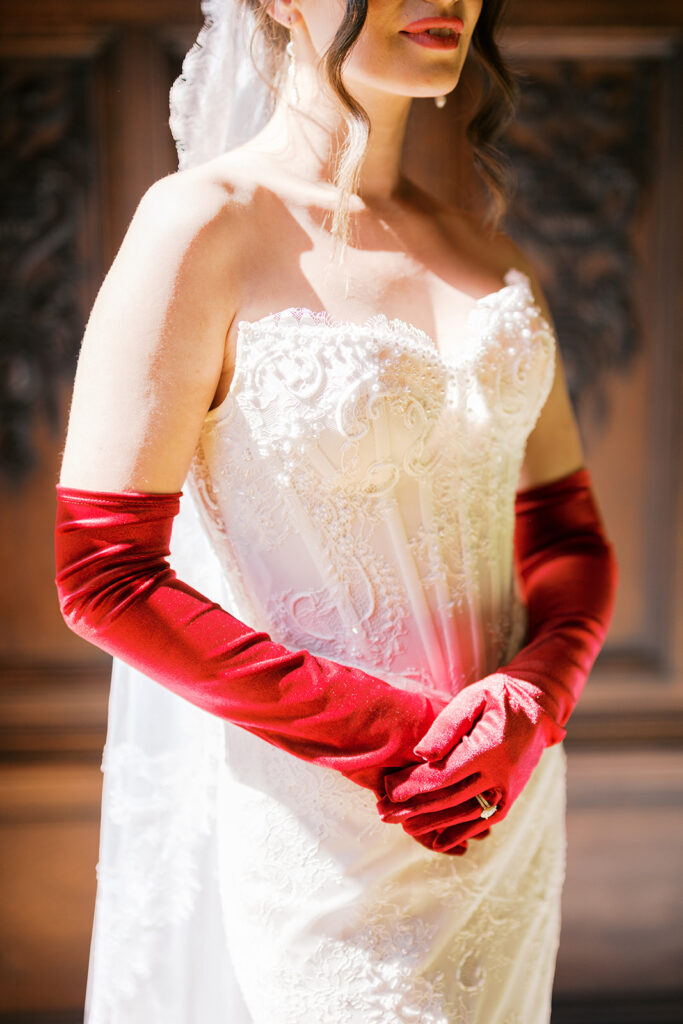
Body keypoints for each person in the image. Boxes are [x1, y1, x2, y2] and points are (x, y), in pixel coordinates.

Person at [54, 1, 618, 1021]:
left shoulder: (490, 257)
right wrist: (394, 743)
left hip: (507, 802)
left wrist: (528, 706)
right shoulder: (200, 227)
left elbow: (568, 535)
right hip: (332, 820)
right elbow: (103, 574)